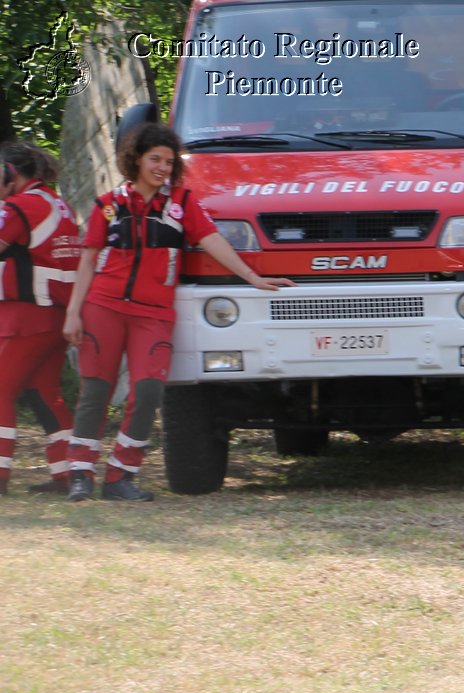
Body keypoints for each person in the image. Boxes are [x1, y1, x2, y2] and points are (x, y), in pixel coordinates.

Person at [61, 122, 293, 501]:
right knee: (95, 392)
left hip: (153, 313)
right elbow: (87, 262)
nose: (163, 168)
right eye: (155, 159)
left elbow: (213, 240)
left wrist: (254, 278)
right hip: (103, 307)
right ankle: (80, 473)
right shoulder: (108, 206)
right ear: (135, 159)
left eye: (169, 162)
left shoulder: (182, 204)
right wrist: (73, 313)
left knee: (149, 391)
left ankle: (120, 475)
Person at [0, 142, 80, 495]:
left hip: (27, 317)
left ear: (11, 173)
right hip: (57, 316)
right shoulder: (57, 203)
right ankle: (68, 472)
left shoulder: (20, 206)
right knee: (45, 393)